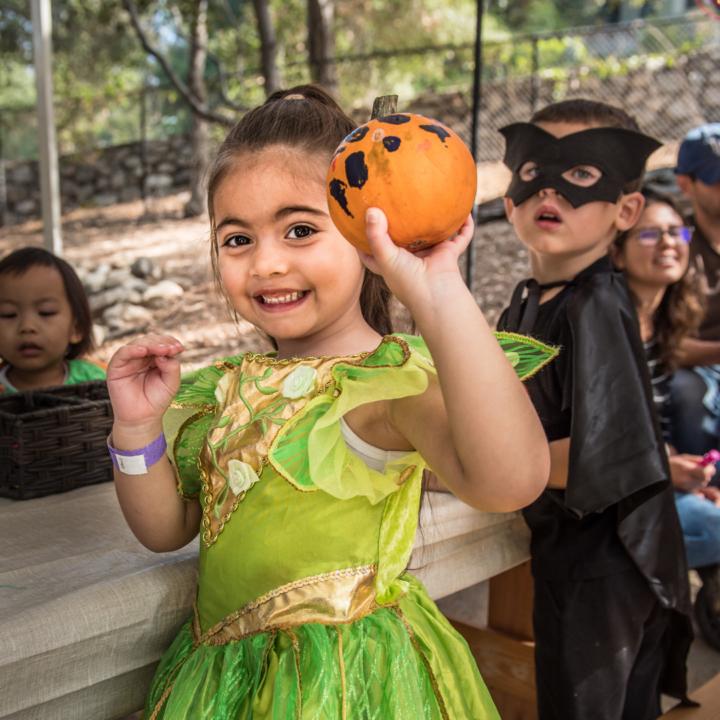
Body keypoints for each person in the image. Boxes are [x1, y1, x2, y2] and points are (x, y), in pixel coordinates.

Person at [105, 85, 555, 720]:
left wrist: (439, 291)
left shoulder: (383, 389)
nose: (265, 263)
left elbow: (511, 480)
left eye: (299, 229)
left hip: (348, 688)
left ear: (364, 233)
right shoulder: (231, 387)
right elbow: (165, 530)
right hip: (221, 683)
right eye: (237, 239)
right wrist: (136, 426)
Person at [497, 99, 693, 720]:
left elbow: (599, 456)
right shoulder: (526, 304)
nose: (549, 188)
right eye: (533, 172)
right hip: (574, 557)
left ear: (625, 210)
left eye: (581, 175)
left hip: (609, 565)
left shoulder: (592, 306)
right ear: (509, 201)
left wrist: (476, 465)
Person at [611, 188, 720, 636]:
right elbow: (606, 439)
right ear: (616, 254)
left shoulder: (661, 319)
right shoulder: (609, 323)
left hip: (652, 474)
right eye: (650, 234)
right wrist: (665, 469)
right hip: (613, 495)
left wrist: (686, 471)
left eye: (676, 231)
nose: (669, 242)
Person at [671, 124, 720, 462]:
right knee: (686, 390)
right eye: (717, 177)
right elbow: (666, 346)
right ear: (685, 184)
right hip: (696, 370)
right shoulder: (674, 247)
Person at [0, 247, 105, 393]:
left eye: (45, 312)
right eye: (8, 314)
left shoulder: (99, 380)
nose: (27, 326)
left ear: (76, 328)